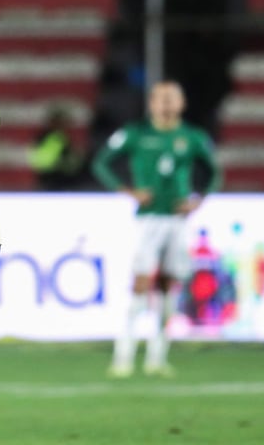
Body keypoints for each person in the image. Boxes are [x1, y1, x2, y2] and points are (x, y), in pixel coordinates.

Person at [91, 80, 222, 378]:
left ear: (181, 103)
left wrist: (199, 200)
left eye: (171, 98)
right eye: (160, 98)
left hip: (178, 220)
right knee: (140, 283)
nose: (165, 104)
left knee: (168, 285)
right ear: (151, 103)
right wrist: (128, 191)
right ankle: (123, 355)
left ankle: (157, 357)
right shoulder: (136, 134)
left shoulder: (192, 137)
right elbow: (102, 163)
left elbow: (214, 171)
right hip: (148, 219)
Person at [26, 105, 82, 191]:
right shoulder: (57, 138)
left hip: (47, 178)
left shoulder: (43, 136)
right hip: (54, 179)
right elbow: (68, 160)